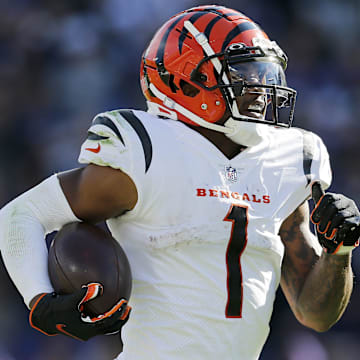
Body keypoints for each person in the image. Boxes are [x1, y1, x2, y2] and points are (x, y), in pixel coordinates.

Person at [0, 4, 359, 360]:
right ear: (184, 80)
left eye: (264, 75)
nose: (260, 89)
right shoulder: (148, 151)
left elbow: (316, 314)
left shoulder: (288, 159)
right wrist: (40, 300)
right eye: (244, 75)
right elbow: (21, 215)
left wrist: (338, 253)